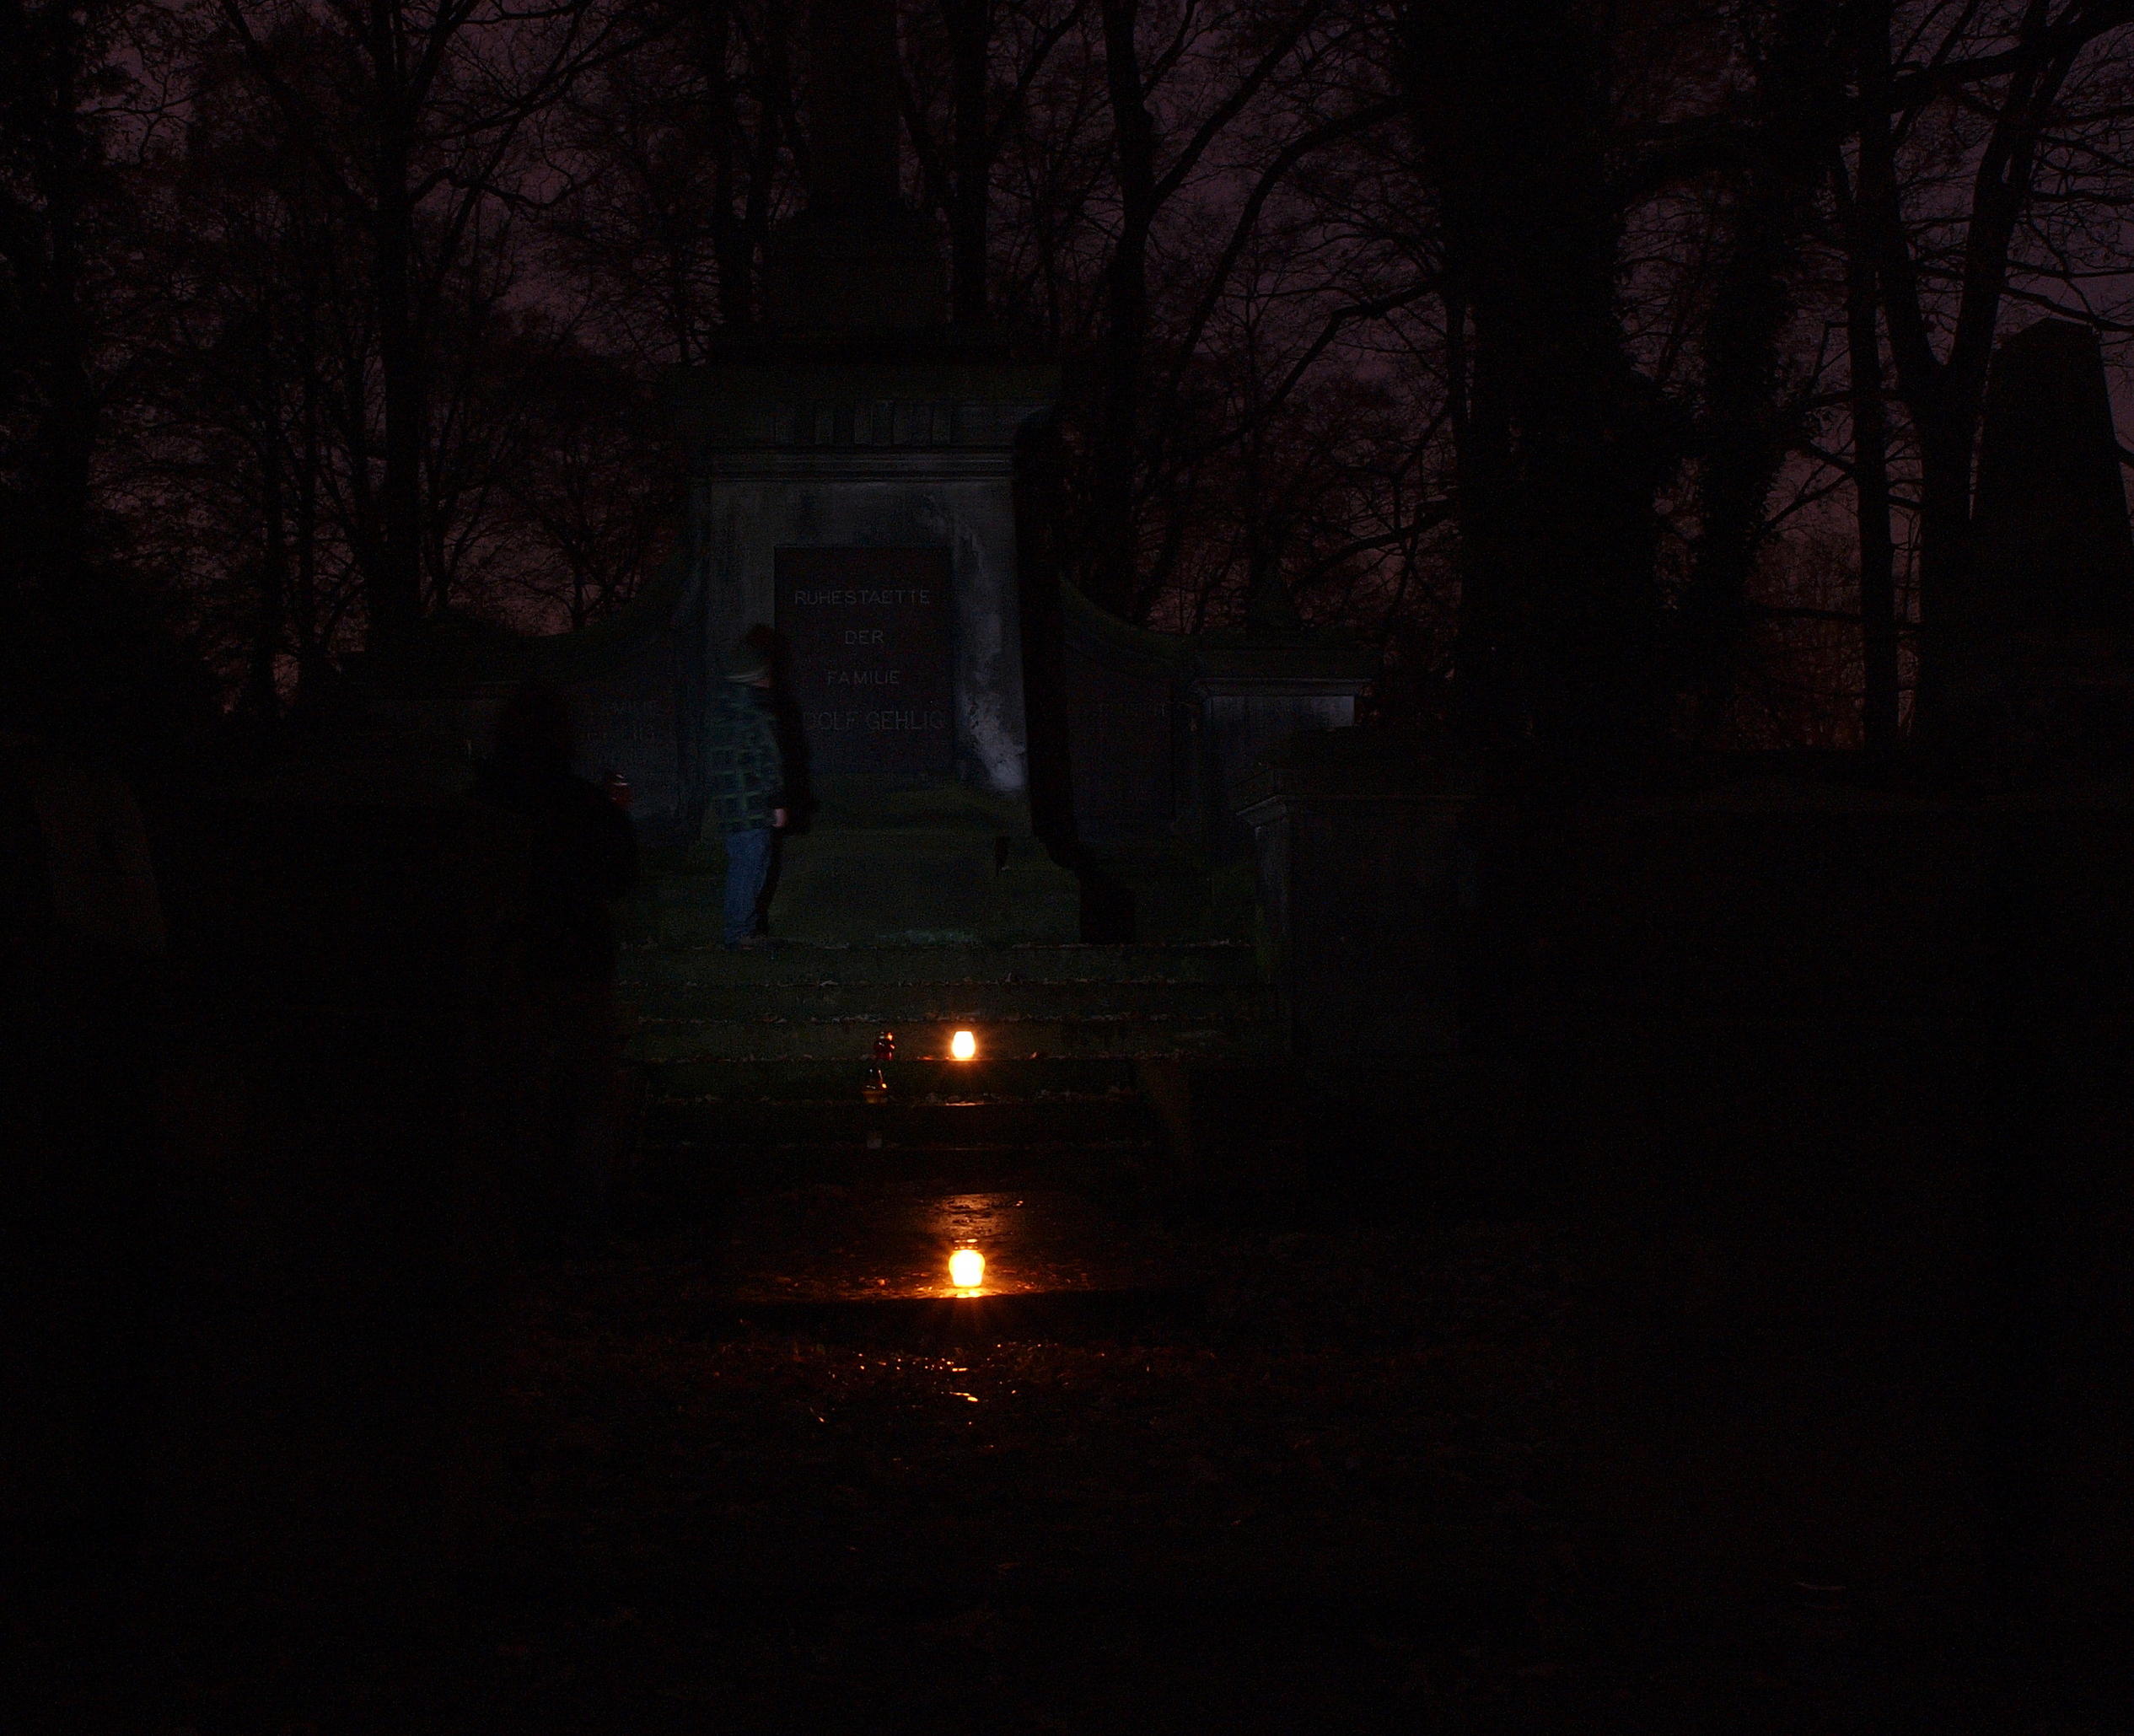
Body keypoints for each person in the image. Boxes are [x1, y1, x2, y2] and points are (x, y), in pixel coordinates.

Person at [469, 680, 637, 1250]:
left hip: (512, 959)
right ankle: (578, 1213)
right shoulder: (581, 805)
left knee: (516, 1088)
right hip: (571, 958)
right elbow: (619, 876)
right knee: (582, 1090)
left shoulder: (484, 801)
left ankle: (518, 1211)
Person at [704, 629, 787, 948]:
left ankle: (743, 930)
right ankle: (740, 932)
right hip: (752, 805)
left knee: (746, 863)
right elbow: (769, 759)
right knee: (751, 866)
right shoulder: (756, 711)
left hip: (730, 804)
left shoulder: (723, 709)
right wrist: (777, 802)